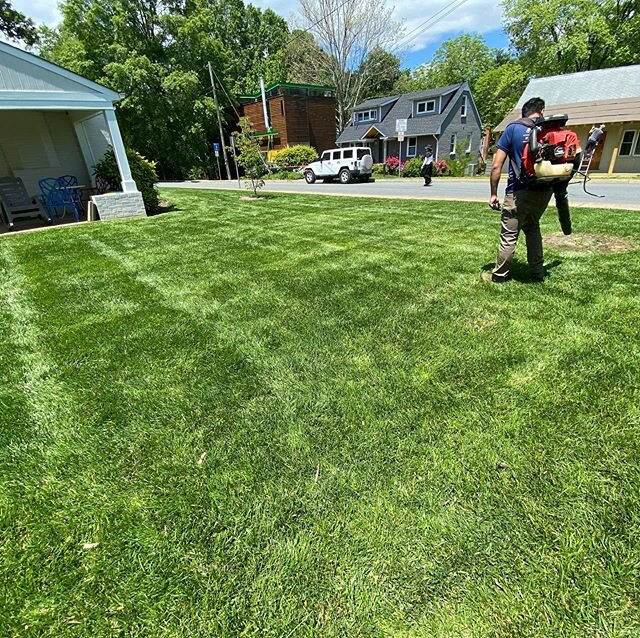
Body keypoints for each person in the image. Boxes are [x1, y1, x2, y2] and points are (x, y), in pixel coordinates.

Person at [487, 97, 555, 283]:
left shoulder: (513, 129)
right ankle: (537, 273)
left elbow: (496, 166)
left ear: (524, 112)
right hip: (544, 191)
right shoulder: (548, 129)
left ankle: (500, 276)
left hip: (519, 191)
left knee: (509, 235)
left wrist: (493, 193)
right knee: (532, 228)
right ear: (540, 111)